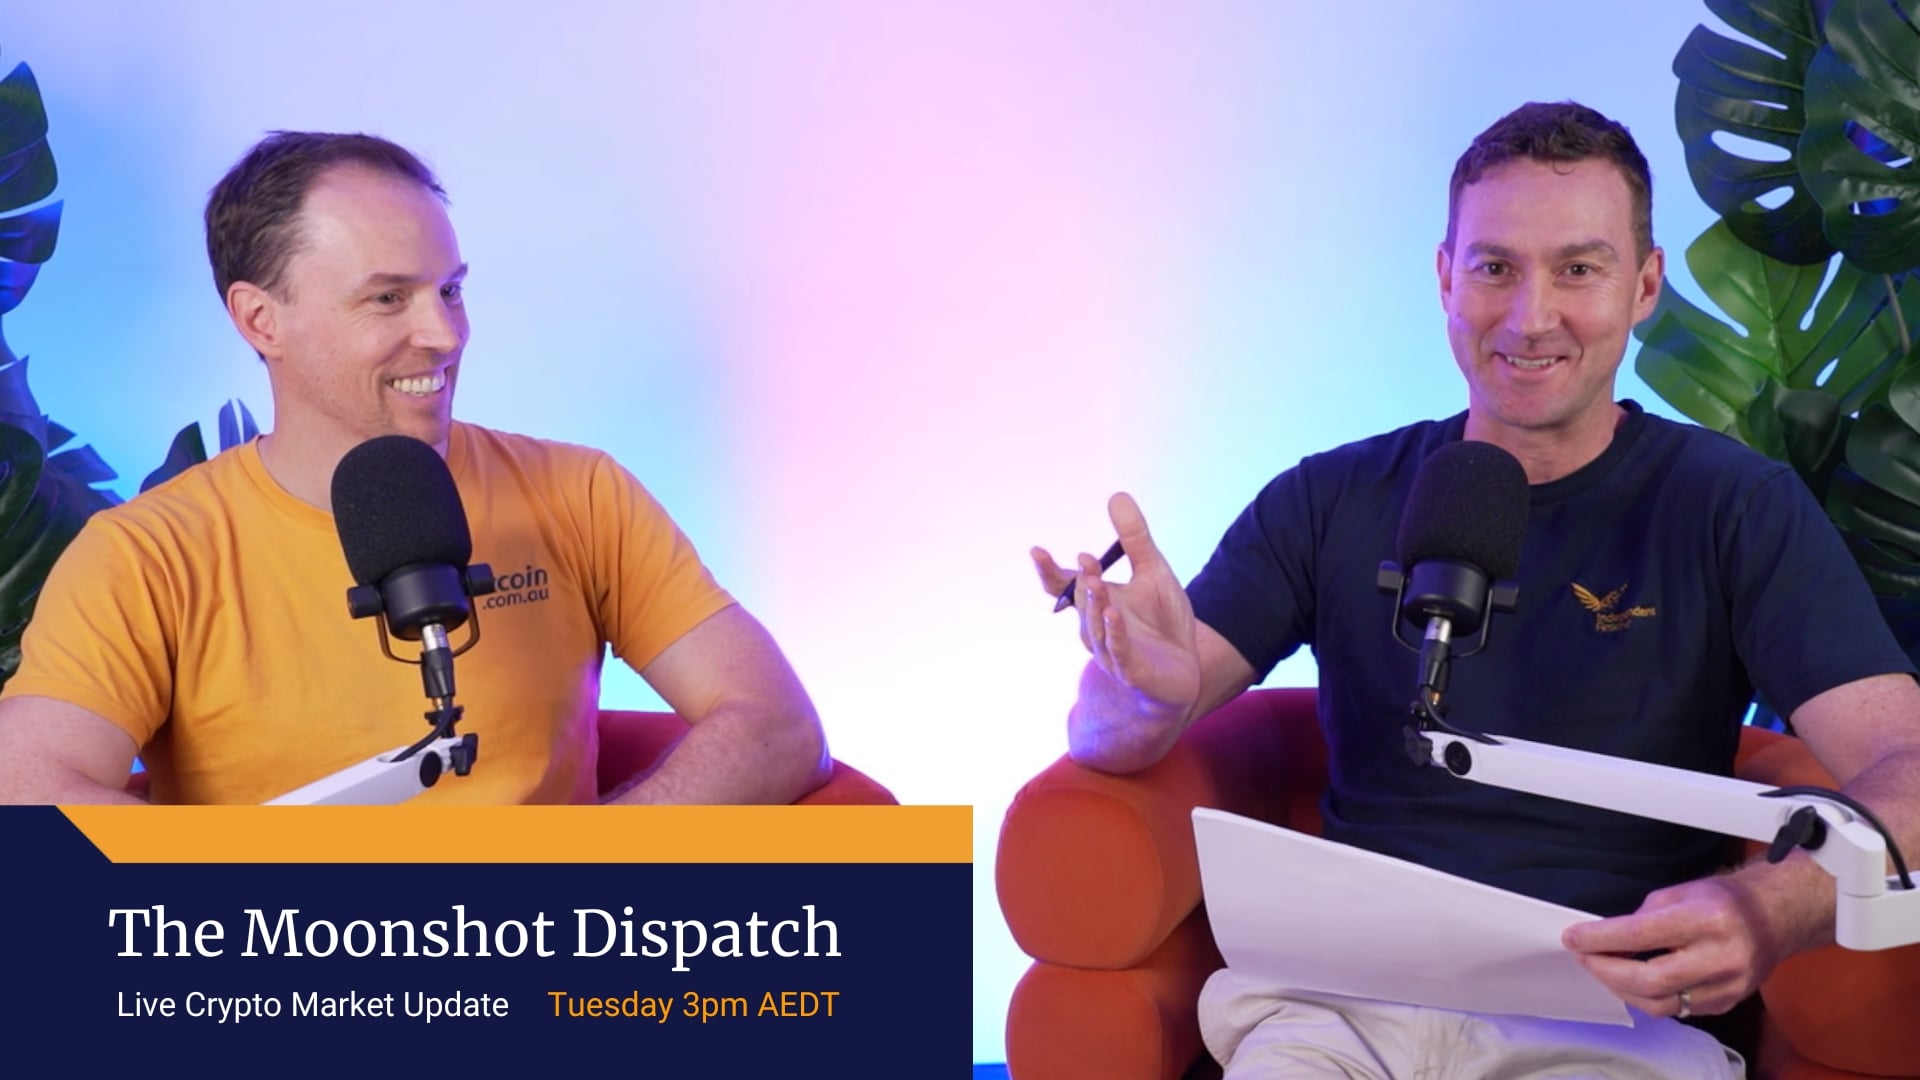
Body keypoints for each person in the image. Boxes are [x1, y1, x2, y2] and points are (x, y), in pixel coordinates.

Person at [1033, 101, 1920, 1077]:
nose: (1530, 317)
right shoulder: (1329, 497)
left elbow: (1911, 762)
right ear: (1446, 278)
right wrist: (1138, 693)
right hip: (1337, 1012)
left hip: (1609, 1020)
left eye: (1578, 269)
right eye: (1495, 267)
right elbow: (1105, 737)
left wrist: (1775, 906)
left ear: (1644, 286)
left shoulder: (1735, 507)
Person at [0, 131, 830, 806]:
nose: (444, 335)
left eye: (451, 291)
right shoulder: (147, 556)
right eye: (388, 298)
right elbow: (28, 791)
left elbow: (777, 724)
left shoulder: (580, 494)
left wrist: (599, 868)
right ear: (260, 320)